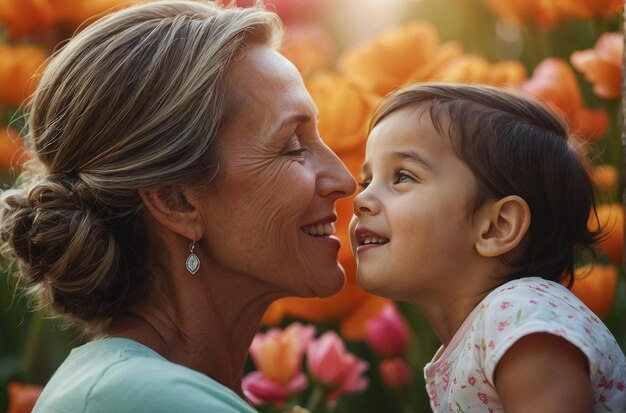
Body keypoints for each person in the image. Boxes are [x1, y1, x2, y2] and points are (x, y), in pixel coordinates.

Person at [0, 1, 356, 412]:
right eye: (292, 145)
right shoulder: (142, 398)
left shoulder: (143, 387)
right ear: (177, 202)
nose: (343, 181)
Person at [349, 83, 626, 412]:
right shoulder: (490, 330)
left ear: (497, 227)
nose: (360, 200)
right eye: (366, 182)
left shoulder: (518, 321)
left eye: (403, 176)